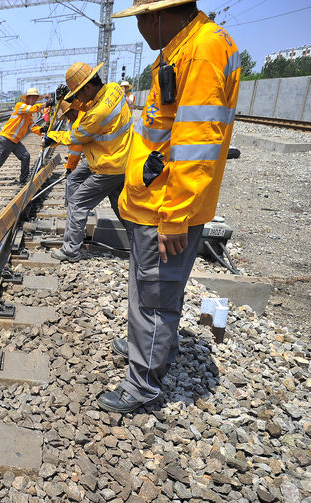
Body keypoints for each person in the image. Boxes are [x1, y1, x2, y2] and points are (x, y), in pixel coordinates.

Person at [97, 0, 241, 413]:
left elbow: (197, 141)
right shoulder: (186, 47)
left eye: (142, 18)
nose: (139, 28)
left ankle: (143, 383)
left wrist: (175, 216)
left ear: (159, 15)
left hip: (166, 204)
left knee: (155, 295)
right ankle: (152, 344)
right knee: (151, 288)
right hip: (155, 197)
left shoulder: (201, 51)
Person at [44, 61, 133, 262]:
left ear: (89, 87)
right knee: (77, 181)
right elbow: (88, 103)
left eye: (78, 93)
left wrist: (53, 137)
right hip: (118, 156)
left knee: (78, 201)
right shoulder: (113, 89)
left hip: (108, 165)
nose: (77, 98)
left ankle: (70, 250)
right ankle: (139, 242)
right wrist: (69, 97)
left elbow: (77, 136)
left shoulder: (97, 115)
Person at [0, 87, 45, 186]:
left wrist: (41, 130)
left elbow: (32, 126)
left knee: (25, 156)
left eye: (35, 99)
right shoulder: (20, 106)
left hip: (15, 141)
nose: (34, 100)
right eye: (32, 98)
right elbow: (31, 109)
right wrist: (44, 105)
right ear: (27, 98)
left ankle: (23, 180)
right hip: (6, 138)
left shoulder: (29, 115)